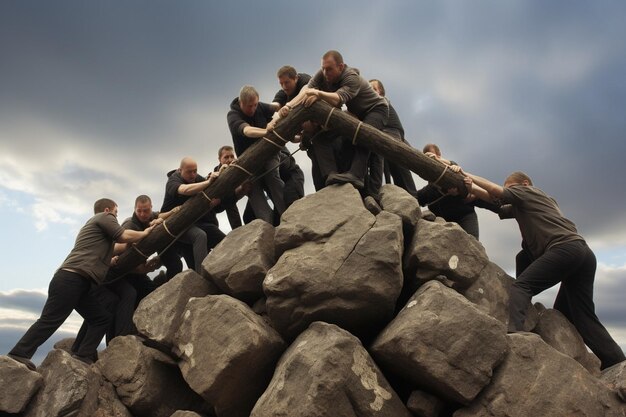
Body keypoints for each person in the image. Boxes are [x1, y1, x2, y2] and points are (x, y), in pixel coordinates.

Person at [463, 170, 626, 369]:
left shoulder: (530, 192)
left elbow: (496, 192)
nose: (508, 192)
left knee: (521, 286)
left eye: (511, 188)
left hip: (565, 249)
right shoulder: (528, 204)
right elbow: (496, 205)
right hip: (583, 255)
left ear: (525, 184)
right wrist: (471, 191)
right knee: (578, 316)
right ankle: (617, 362)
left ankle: (515, 335)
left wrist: (465, 174)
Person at [7, 198, 154, 369]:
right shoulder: (104, 217)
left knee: (101, 318)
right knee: (51, 320)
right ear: (108, 210)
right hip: (71, 279)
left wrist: (115, 260)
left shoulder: (97, 234)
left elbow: (117, 248)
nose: (116, 217)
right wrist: (146, 233)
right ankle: (19, 353)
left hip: (82, 283)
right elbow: (123, 236)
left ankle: (83, 355)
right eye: (116, 212)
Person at [278, 50, 389, 198]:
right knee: (321, 138)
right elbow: (306, 90)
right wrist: (288, 107)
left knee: (364, 135)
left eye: (329, 69)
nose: (325, 72)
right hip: (356, 115)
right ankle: (331, 174)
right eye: (323, 68)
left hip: (375, 110)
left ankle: (357, 176)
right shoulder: (322, 73)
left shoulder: (351, 77)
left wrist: (318, 95)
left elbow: (338, 99)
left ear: (341, 67)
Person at [227, 85, 286, 224]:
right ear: (241, 103)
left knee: (273, 176)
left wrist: (284, 108)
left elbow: (276, 106)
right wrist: (266, 131)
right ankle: (268, 223)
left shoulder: (259, 106)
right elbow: (247, 131)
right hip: (248, 161)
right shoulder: (233, 115)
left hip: (268, 153)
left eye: (255, 105)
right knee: (253, 189)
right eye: (249, 106)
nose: (253, 109)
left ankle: (288, 213)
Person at [417, 143, 497, 240]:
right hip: (443, 221)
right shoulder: (429, 191)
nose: (431, 159)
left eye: (434, 156)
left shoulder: (454, 169)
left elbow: (477, 194)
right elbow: (414, 198)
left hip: (464, 215)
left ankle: (502, 208)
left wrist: (449, 163)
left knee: (473, 243)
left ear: (439, 155)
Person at [161, 157, 225, 273]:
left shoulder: (196, 178)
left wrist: (221, 172)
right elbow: (185, 190)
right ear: (180, 170)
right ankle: (203, 276)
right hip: (175, 226)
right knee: (199, 236)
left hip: (192, 223)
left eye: (195, 171)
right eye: (189, 172)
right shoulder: (173, 180)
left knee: (219, 236)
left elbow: (210, 185)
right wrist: (208, 182)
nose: (193, 175)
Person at [368, 78, 419, 199]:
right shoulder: (369, 105)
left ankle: (411, 197)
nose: (370, 91)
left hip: (392, 135)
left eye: (373, 89)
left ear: (380, 92)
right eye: (368, 88)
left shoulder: (382, 102)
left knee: (399, 164)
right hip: (386, 135)